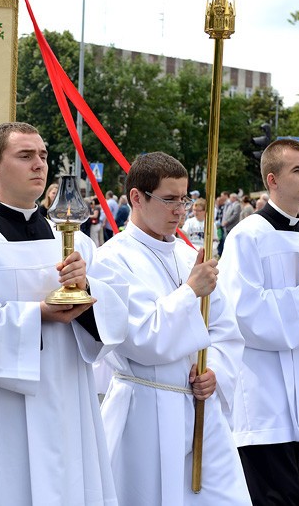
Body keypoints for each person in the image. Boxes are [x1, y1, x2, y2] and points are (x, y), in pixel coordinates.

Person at [0, 122, 128, 505]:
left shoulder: (75, 240)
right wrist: (40, 314)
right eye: (25, 156)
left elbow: (115, 315)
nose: (39, 165)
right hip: (0, 408)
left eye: (43, 156)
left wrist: (86, 290)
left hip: (67, 400)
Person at [97, 152, 250, 504]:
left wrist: (215, 371)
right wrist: (189, 292)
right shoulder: (111, 259)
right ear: (137, 197)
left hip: (200, 410)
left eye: (185, 199)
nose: (180, 210)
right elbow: (139, 338)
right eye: (169, 200)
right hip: (145, 409)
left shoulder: (187, 254)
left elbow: (225, 328)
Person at [219, 139, 299, 505]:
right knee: (272, 497)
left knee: (294, 495)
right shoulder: (247, 234)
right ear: (272, 179)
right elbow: (241, 312)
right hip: (264, 391)